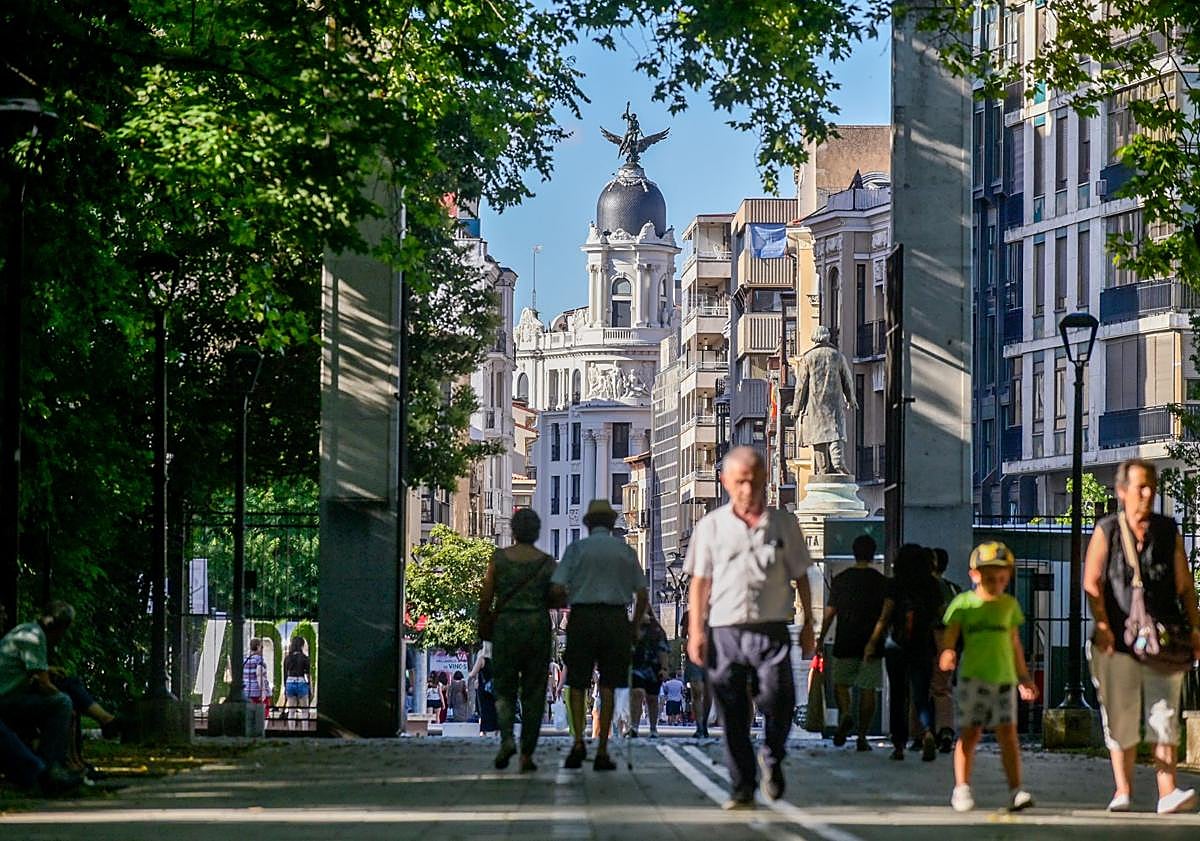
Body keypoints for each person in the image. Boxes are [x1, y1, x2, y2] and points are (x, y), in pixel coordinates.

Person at [685, 446, 815, 810]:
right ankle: (742, 785)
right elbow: (699, 582)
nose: (748, 489)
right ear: (726, 482)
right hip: (725, 629)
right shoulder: (711, 527)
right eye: (740, 481)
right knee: (732, 711)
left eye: (755, 481)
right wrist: (696, 631)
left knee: (780, 700)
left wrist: (809, 625)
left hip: (771, 627)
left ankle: (772, 755)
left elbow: (802, 575)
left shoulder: (784, 524)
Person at [1084, 458, 1200, 814]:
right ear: (1122, 492)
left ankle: (1168, 792)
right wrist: (1102, 624)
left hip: (1164, 639)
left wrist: (1195, 628)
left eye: (1152, 485)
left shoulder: (1167, 531)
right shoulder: (1107, 530)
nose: (1148, 493)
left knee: (1163, 715)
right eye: (1140, 487)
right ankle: (1123, 791)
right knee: (1120, 715)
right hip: (1116, 643)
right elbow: (1091, 581)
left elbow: (1184, 586)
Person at [551, 499, 648, 772]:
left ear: (588, 523)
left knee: (579, 683)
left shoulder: (577, 549)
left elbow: (557, 588)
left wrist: (572, 596)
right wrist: (634, 626)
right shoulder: (624, 552)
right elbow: (642, 594)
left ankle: (579, 742)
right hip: (615, 619)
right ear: (611, 522)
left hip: (583, 617)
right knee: (607, 685)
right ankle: (603, 748)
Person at [940, 541, 1039, 812]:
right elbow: (950, 635)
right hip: (973, 678)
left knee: (1008, 735)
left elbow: (1015, 643)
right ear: (975, 575)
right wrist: (948, 652)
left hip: (1004, 679)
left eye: (1000, 578)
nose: (995, 582)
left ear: (1007, 577)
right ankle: (961, 787)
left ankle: (1016, 789)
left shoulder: (1009, 606)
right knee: (970, 734)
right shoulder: (964, 604)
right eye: (988, 577)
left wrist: (1024, 678)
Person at [477, 507, 557, 772]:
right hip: (536, 628)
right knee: (534, 692)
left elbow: (486, 597)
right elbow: (558, 597)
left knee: (504, 688)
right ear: (537, 532)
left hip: (506, 627)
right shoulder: (546, 563)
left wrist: (484, 623)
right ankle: (527, 754)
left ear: (513, 531)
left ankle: (507, 738)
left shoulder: (498, 560)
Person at [817, 533, 889, 752]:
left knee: (841, 684)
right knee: (868, 689)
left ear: (854, 553)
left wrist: (820, 639)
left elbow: (830, 614)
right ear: (874, 554)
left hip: (845, 640)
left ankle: (845, 715)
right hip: (872, 644)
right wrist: (874, 640)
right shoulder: (881, 582)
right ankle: (862, 736)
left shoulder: (841, 580)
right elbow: (884, 617)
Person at [0, 602, 82, 789]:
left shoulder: (26, 630)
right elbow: (45, 685)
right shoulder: (34, 636)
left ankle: (48, 768)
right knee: (61, 703)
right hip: (4, 701)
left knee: (64, 691)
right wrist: (70, 710)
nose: (4, 617)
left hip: (9, 696)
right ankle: (51, 768)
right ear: (61, 627)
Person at [883, 543, 943, 761]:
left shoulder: (894, 585)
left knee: (898, 696)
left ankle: (898, 745)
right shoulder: (931, 585)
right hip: (923, 644)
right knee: (921, 694)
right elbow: (941, 616)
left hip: (896, 645)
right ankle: (927, 731)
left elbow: (885, 615)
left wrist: (873, 640)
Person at [930, 546, 962, 753]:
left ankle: (927, 732)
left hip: (932, 640)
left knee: (928, 688)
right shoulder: (954, 589)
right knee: (944, 689)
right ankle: (947, 729)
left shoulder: (931, 588)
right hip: (951, 643)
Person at [629, 614, 669, 737]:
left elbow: (663, 650)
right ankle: (634, 727)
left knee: (652, 698)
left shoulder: (658, 631)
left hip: (653, 669)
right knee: (638, 693)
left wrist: (664, 668)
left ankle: (653, 728)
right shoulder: (632, 629)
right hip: (636, 668)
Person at [679, 607, 712, 738]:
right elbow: (682, 635)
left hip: (712, 656)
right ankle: (699, 726)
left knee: (709, 692)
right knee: (696, 691)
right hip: (694, 656)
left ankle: (704, 723)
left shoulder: (717, 612)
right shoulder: (688, 614)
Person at [468, 647, 498, 736]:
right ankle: (497, 732)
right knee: (495, 709)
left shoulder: (482, 659)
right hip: (495, 688)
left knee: (484, 710)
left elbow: (473, 673)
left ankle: (483, 732)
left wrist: (470, 675)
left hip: (484, 690)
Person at [282, 635, 311, 722]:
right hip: (301, 682)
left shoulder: (287, 658)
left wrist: (285, 687)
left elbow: (285, 674)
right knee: (305, 711)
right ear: (301, 645)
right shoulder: (305, 658)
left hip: (290, 682)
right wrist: (309, 687)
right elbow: (308, 674)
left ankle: (291, 731)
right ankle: (305, 732)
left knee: (291, 711)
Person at [242, 638, 271, 718]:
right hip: (257, 692)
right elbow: (259, 674)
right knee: (263, 716)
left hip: (246, 691)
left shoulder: (245, 660)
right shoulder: (259, 660)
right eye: (262, 647)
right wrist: (263, 691)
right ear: (258, 647)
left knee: (249, 716)